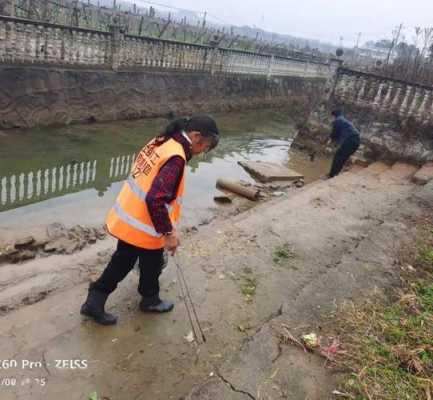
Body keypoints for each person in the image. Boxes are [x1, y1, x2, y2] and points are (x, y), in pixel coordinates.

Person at [80, 115, 220, 325]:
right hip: (144, 223)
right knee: (124, 262)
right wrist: (169, 233)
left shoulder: (163, 140)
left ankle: (149, 297)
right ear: (196, 136)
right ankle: (97, 300)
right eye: (206, 147)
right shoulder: (176, 157)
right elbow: (155, 199)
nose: (202, 152)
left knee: (150, 262)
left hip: (134, 215)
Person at [326, 110, 360, 178]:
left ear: (333, 116)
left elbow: (335, 133)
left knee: (338, 156)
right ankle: (335, 174)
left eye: (331, 117)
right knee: (343, 158)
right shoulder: (344, 121)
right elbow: (339, 135)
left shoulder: (338, 120)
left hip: (350, 140)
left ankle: (331, 175)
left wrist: (330, 140)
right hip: (356, 141)